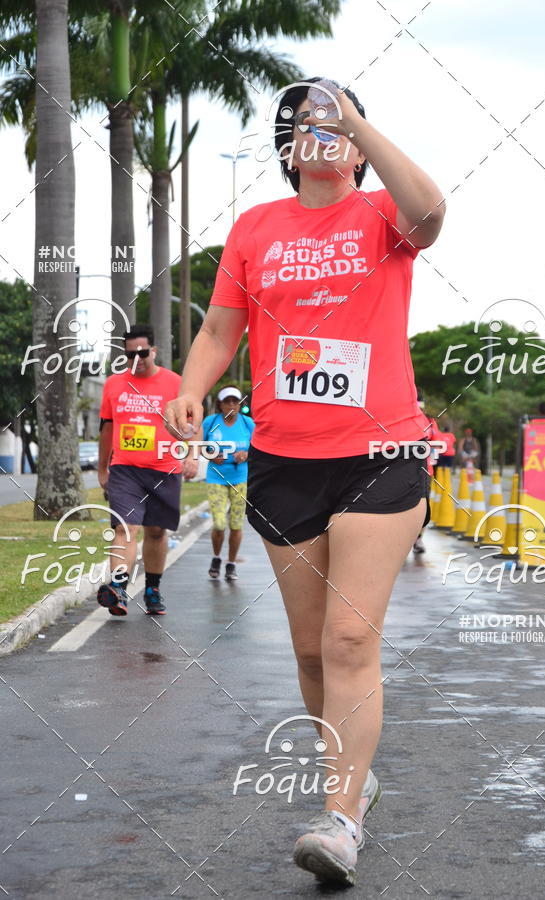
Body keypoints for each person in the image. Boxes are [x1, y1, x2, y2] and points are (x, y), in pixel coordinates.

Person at [166, 76, 445, 886]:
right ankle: (350, 770)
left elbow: (430, 209)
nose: (320, 137)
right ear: (286, 149)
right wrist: (191, 385)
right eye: (303, 128)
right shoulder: (256, 229)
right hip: (285, 459)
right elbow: (223, 327)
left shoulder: (383, 216)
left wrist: (360, 121)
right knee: (310, 645)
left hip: (381, 453)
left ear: (357, 141)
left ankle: (342, 816)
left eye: (335, 126)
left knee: (351, 638)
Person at [96, 324, 197, 617]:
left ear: (153, 350)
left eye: (142, 353)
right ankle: (118, 589)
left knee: (155, 531)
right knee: (125, 528)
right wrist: (103, 467)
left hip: (165, 469)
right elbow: (107, 427)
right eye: (130, 355)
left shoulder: (175, 383)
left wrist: (191, 455)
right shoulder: (114, 384)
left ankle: (152, 588)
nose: (137, 359)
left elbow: (191, 423)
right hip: (125, 469)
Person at [203, 385, 255, 581]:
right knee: (219, 523)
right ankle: (216, 557)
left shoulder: (247, 423)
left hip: (240, 479)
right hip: (216, 477)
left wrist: (247, 454)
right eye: (227, 401)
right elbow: (198, 444)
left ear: (240, 404)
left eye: (235, 401)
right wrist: (209, 453)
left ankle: (231, 564)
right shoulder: (211, 422)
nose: (231, 405)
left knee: (235, 524)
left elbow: (260, 447)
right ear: (220, 404)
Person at [412, 390, 439, 554]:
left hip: (424, 471)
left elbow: (437, 444)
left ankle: (418, 539)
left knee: (422, 506)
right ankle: (405, 539)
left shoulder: (429, 421)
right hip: (399, 471)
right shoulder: (397, 419)